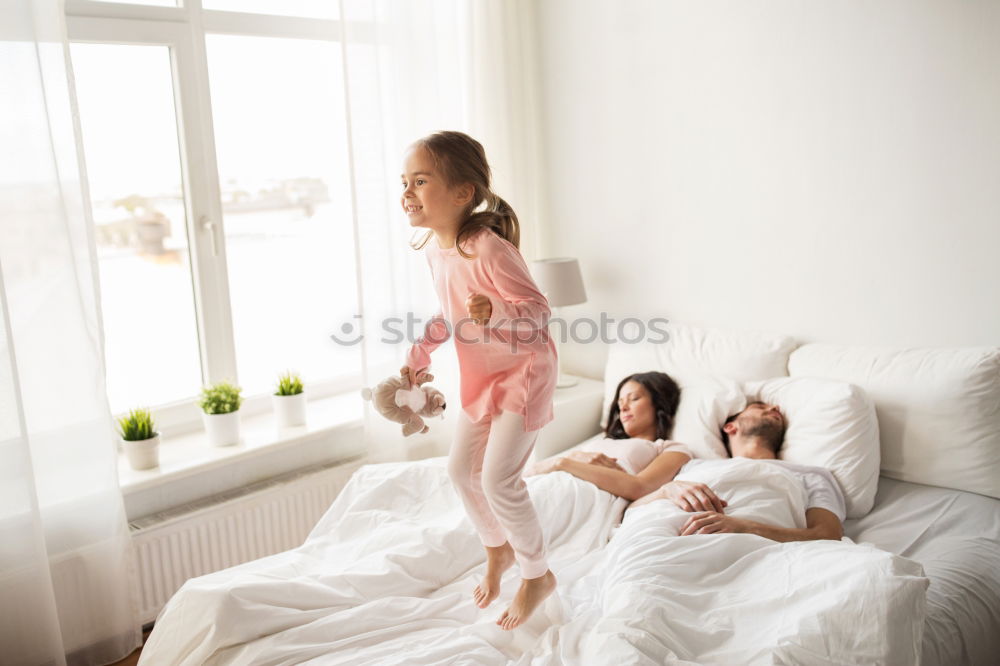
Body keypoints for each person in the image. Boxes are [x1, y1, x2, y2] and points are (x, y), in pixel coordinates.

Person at [399, 131, 557, 630]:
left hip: (525, 372)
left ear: (463, 192)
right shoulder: (435, 252)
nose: (407, 192)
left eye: (420, 181)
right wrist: (420, 351)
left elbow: (538, 314)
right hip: (482, 376)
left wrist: (495, 315)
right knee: (461, 473)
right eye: (404, 182)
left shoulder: (488, 248)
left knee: (498, 479)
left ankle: (537, 575)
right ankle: (499, 551)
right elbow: (451, 313)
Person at [631, 401, 844, 542]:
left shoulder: (811, 475)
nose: (774, 407)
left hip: (759, 553)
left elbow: (827, 535)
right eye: (760, 406)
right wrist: (668, 490)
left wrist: (746, 528)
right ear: (731, 427)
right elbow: (629, 512)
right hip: (669, 540)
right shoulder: (694, 466)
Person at [525, 372, 724, 508]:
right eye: (620, 403)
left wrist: (564, 462)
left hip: (581, 498)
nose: (624, 408)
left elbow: (640, 488)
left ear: (659, 404)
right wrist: (567, 460)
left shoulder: (671, 448)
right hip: (545, 483)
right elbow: (530, 472)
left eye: (634, 399)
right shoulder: (601, 441)